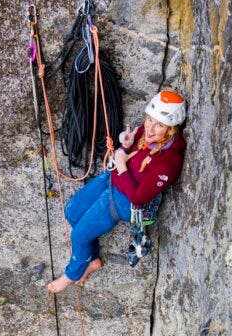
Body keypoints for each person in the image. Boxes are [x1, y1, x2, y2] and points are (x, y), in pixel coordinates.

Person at [47, 90, 187, 293]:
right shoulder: (146, 132)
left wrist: (121, 163)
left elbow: (138, 198)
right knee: (72, 212)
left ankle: (72, 274)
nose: (149, 128)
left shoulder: (170, 162)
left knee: (79, 236)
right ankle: (92, 260)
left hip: (123, 202)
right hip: (112, 180)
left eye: (159, 125)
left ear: (171, 129)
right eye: (149, 120)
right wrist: (126, 144)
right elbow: (132, 145)